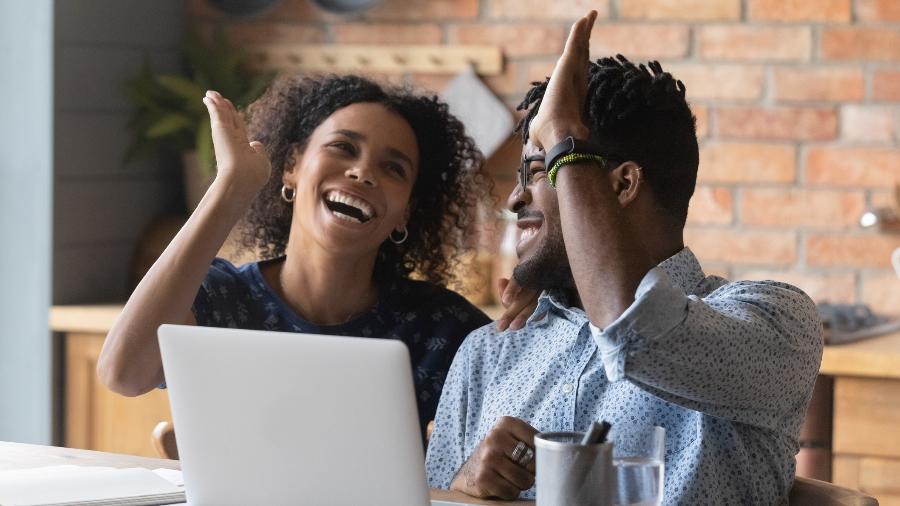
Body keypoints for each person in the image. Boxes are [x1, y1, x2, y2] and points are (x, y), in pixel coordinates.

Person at [425, 11, 823, 504]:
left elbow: (632, 331)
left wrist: (565, 135)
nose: (514, 199)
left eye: (538, 170)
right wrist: (465, 486)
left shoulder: (772, 320)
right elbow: (429, 497)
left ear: (621, 184)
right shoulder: (491, 351)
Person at [97, 74, 535, 436]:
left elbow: (534, 423)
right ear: (291, 166)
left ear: (408, 213)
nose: (362, 171)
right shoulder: (219, 297)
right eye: (343, 147)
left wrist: (532, 334)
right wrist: (231, 187)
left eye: (393, 168)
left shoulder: (441, 327)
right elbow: (124, 373)